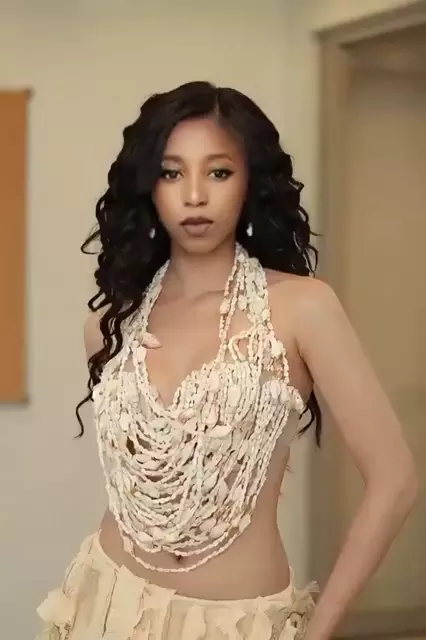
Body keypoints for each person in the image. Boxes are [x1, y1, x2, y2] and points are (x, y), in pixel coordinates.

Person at [36, 81, 417, 640]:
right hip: (105, 608)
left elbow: (395, 480)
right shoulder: (110, 325)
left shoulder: (302, 308)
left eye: (218, 172)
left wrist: (317, 632)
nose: (194, 195)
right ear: (149, 187)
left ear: (249, 182)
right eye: (171, 173)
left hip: (238, 624)